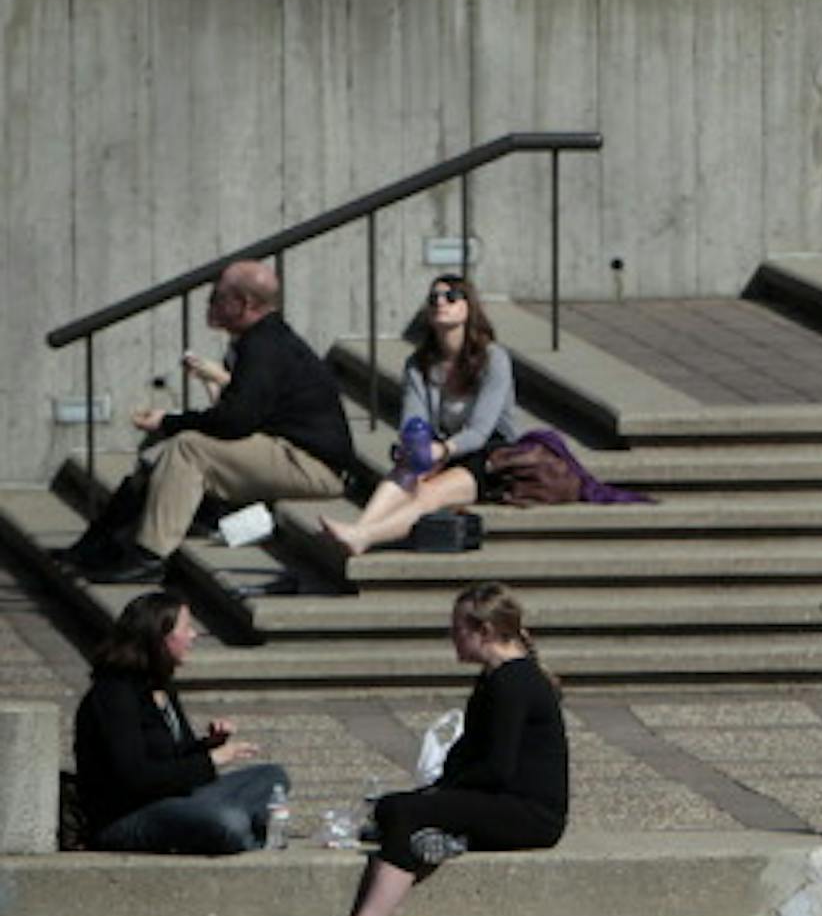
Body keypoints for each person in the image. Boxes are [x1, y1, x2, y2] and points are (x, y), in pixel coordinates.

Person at [304, 582, 568, 916]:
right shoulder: (497, 678)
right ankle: (445, 840)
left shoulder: (514, 683)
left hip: (530, 814)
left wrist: (440, 796)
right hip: (508, 802)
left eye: (458, 630)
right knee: (395, 809)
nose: (451, 639)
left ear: (486, 632)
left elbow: (497, 768)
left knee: (408, 813)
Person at [61, 261, 355, 584]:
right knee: (158, 456)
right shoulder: (262, 340)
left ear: (243, 303)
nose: (209, 304)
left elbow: (234, 421)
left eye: (216, 297)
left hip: (312, 465)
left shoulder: (265, 346)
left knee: (188, 448)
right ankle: (98, 544)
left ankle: (150, 556)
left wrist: (169, 421)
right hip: (288, 452)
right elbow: (238, 414)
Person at [72, 590, 289, 854]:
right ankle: (244, 833)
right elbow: (135, 778)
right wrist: (212, 760)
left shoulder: (161, 686)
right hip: (127, 816)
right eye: (186, 628)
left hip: (176, 799)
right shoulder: (114, 694)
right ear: (158, 636)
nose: (193, 636)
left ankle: (238, 828)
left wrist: (208, 745)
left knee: (272, 777)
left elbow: (175, 758)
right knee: (226, 821)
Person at [320, 275, 519, 556]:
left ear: (468, 308)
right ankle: (361, 526)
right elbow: (415, 420)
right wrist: (415, 448)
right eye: (433, 298)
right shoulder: (419, 363)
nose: (441, 302)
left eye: (451, 297)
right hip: (442, 446)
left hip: (488, 454)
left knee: (429, 493)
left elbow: (481, 430)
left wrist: (443, 451)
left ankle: (364, 536)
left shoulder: (493, 359)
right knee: (406, 470)